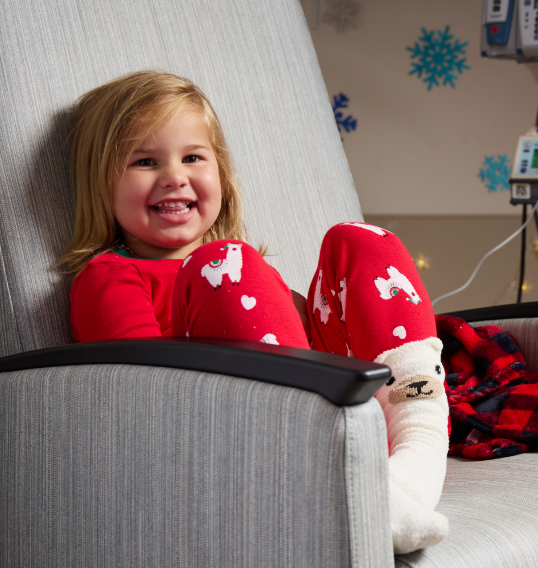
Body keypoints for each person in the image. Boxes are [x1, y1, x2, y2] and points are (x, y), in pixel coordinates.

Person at [60, 71, 449, 554]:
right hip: (239, 436)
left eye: (193, 157)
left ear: (220, 173)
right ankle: (356, 488)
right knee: (226, 263)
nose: (174, 176)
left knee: (361, 239)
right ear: (101, 184)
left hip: (349, 405)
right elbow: (142, 397)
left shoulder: (241, 261)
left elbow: (309, 340)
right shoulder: (110, 276)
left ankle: (417, 458)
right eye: (144, 161)